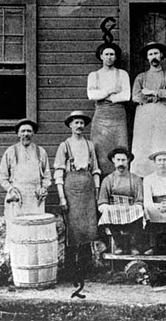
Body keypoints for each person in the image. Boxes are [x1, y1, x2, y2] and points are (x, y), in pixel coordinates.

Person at [54, 111, 100, 276]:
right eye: (76, 123)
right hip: (71, 188)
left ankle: (86, 267)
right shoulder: (64, 146)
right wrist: (62, 197)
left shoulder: (90, 145)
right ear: (70, 126)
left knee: (88, 227)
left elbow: (95, 170)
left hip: (87, 188)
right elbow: (59, 174)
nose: (79, 126)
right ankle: (70, 268)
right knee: (72, 228)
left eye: (81, 123)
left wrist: (96, 191)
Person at [0, 119, 52, 257]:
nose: (26, 134)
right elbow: (2, 176)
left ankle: (33, 266)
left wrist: (44, 188)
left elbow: (47, 176)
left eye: (29, 131)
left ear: (33, 133)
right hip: (17, 198)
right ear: (18, 134)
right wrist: (11, 189)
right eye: (23, 131)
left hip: (35, 199)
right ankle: (15, 268)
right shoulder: (10, 152)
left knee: (34, 232)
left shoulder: (41, 152)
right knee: (16, 231)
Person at [131, 42, 166, 177]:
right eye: (150, 54)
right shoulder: (141, 77)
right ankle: (140, 178)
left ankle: (161, 177)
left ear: (161, 55)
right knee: (142, 147)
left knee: (160, 146)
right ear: (147, 57)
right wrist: (154, 97)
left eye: (156, 53)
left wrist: (153, 92)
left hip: (162, 114)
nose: (154, 57)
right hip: (144, 115)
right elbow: (136, 96)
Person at [87, 43, 131, 178]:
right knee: (99, 150)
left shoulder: (122, 74)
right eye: (106, 54)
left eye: (112, 54)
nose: (109, 57)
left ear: (116, 57)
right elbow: (92, 95)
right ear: (101, 56)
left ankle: (120, 181)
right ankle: (100, 184)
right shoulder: (94, 75)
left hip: (118, 116)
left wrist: (105, 96)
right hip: (101, 116)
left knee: (120, 147)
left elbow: (126, 95)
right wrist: (110, 91)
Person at [98, 146, 144, 255]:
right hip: (114, 210)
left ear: (128, 160)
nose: (121, 163)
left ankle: (133, 245)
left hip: (130, 209)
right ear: (113, 160)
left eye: (123, 160)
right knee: (107, 211)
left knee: (139, 211)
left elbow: (139, 200)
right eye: (118, 160)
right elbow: (102, 201)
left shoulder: (136, 179)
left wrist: (134, 207)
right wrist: (110, 207)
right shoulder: (108, 180)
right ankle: (118, 244)